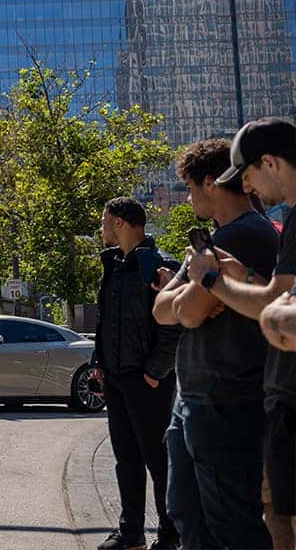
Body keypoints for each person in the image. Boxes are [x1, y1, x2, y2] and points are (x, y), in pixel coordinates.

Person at [151, 139, 275, 549]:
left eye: (189, 188)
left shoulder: (243, 236)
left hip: (228, 400)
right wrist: (197, 292)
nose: (187, 198)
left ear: (210, 183)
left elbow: (186, 313)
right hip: (195, 399)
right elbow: (161, 309)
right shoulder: (211, 242)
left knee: (231, 524)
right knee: (188, 515)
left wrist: (194, 293)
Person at [188, 118, 296, 550]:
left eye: (246, 175)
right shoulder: (288, 222)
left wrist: (211, 280)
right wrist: (243, 277)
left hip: (275, 397)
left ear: (270, 163)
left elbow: (274, 308)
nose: (246, 187)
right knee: (276, 520)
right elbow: (275, 297)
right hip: (279, 397)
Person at [92, 197, 181, 550]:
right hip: (116, 377)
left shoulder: (159, 267)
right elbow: (106, 322)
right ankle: (131, 535)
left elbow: (173, 328)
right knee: (126, 459)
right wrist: (99, 363)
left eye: (104, 220)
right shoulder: (113, 266)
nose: (101, 228)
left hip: (147, 380)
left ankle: (169, 536)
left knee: (159, 462)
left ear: (119, 222)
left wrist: (155, 372)